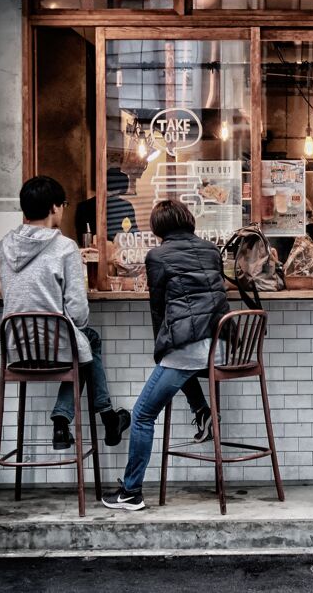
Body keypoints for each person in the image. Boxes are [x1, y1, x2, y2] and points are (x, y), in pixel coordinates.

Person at [103, 199, 230, 511]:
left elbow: (158, 309)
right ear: (188, 220)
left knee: (144, 414)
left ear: (158, 228)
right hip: (218, 346)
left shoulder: (157, 256)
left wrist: (160, 345)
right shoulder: (211, 251)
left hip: (188, 349)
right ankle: (202, 412)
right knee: (176, 365)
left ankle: (131, 492)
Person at [0, 176, 131, 450]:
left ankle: (75, 420)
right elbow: (79, 314)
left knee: (82, 346)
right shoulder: (65, 248)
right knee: (86, 343)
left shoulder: (4, 245)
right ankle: (93, 416)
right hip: (55, 348)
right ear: (55, 208)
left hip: (14, 348)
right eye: (63, 205)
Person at [74, 167, 139, 242]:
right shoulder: (126, 206)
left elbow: (134, 233)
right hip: (110, 250)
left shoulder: (83, 207)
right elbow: (134, 234)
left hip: (99, 250)